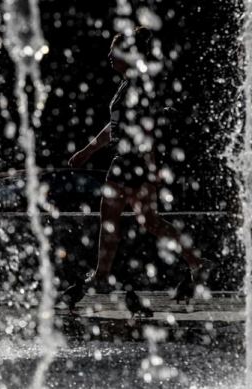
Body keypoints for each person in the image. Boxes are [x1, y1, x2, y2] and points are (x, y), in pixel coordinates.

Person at [64, 26, 211, 307]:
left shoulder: (138, 84)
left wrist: (152, 169)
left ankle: (105, 275)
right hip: (124, 162)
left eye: (114, 51)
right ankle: (105, 274)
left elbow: (148, 129)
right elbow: (114, 128)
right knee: (133, 220)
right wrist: (87, 151)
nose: (109, 56)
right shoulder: (126, 85)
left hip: (133, 163)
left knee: (141, 221)